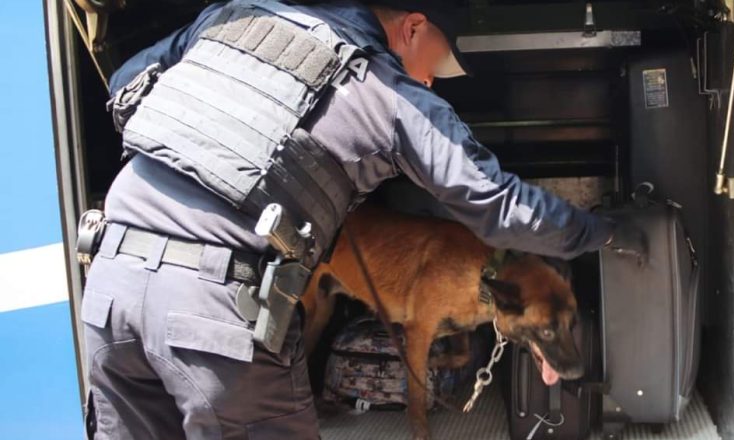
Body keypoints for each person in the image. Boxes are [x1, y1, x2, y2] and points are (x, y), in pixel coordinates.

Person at [80, 0, 643, 438]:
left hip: (111, 286)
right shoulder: (383, 89)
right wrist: (604, 231)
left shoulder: (235, 17)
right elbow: (499, 204)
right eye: (436, 67)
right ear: (412, 28)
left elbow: (127, 79)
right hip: (211, 311)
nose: (429, 82)